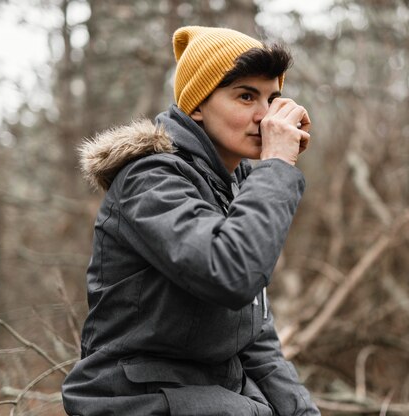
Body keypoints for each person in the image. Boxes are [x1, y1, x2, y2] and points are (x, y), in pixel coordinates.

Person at [61, 25, 320, 416]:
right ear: (197, 105)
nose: (265, 116)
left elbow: (256, 341)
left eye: (273, 99)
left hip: (212, 398)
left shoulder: (239, 188)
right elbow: (231, 272)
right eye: (246, 96)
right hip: (136, 401)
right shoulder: (149, 180)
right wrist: (278, 166)